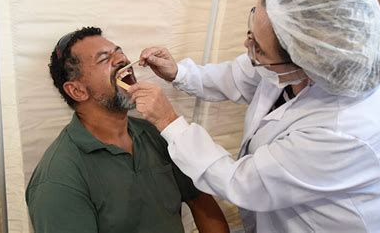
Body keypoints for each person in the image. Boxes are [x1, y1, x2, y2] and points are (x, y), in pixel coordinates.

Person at [128, 0, 380, 233]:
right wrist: (179, 73)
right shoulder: (303, 57)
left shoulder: (347, 129)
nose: (246, 45)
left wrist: (168, 121)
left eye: (259, 49)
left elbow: (243, 183)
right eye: (252, 26)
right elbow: (240, 76)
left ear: (306, 64)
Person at [25, 26, 229, 233]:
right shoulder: (58, 179)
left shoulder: (155, 134)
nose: (122, 59)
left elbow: (204, 207)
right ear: (77, 90)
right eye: (104, 58)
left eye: (119, 51)